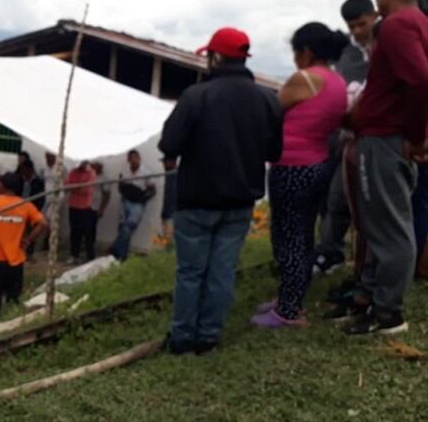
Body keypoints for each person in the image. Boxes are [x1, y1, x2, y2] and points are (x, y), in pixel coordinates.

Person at [159, 27, 283, 354]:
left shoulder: (197, 96)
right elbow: (274, 153)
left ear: (215, 57)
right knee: (221, 272)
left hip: (197, 200)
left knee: (190, 273)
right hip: (241, 203)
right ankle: (209, 337)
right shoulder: (267, 99)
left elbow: (169, 144)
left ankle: (183, 338)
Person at [344, 0, 428, 335]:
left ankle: (388, 313)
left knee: (390, 228)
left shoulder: (395, 25)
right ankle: (377, 301)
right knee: (390, 222)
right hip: (391, 136)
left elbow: (421, 81)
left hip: (385, 139)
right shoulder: (419, 23)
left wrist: (415, 135)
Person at [251, 23, 348, 328]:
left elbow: (271, 111)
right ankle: (289, 299)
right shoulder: (338, 82)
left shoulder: (304, 78)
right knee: (303, 235)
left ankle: (288, 311)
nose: (294, 59)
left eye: (295, 52)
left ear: (306, 52)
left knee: (288, 236)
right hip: (318, 164)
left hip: (292, 166)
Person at [313, 0, 378, 275]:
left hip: (375, 139)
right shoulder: (345, 52)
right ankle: (331, 253)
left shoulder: (388, 42)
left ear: (374, 15)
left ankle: (371, 271)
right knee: (335, 200)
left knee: (369, 208)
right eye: (352, 27)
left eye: (362, 24)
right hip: (344, 138)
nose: (357, 32)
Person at [0, 173, 48, 325]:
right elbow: (43, 224)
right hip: (16, 260)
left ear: (2, 186)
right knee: (13, 300)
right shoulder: (25, 205)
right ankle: (11, 328)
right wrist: (28, 240)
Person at [109, 150, 155, 260]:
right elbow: (120, 186)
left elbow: (153, 190)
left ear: (139, 158)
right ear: (128, 160)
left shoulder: (146, 172)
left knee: (129, 227)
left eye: (136, 157)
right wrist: (124, 192)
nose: (134, 160)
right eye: (132, 158)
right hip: (125, 201)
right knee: (122, 228)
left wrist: (143, 200)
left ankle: (114, 248)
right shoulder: (124, 171)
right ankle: (122, 256)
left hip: (137, 205)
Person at [66, 161, 97, 263]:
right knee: (74, 232)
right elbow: (67, 186)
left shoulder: (91, 172)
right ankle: (74, 255)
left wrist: (75, 187)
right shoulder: (73, 171)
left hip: (85, 207)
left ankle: (90, 257)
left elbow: (87, 190)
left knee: (87, 233)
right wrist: (79, 186)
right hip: (73, 206)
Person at [18, 161, 45, 261]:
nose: (23, 172)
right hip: (19, 209)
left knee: (32, 232)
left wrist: (37, 209)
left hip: (32, 209)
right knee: (19, 231)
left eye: (25, 170)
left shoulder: (38, 181)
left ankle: (29, 254)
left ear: (30, 169)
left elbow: (42, 196)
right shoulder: (20, 180)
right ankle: (18, 251)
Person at [90, 162, 111, 240]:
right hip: (85, 205)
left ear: (100, 167)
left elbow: (107, 195)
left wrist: (101, 209)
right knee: (84, 226)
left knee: (91, 226)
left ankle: (90, 245)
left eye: (94, 165)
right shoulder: (89, 176)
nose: (91, 166)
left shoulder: (104, 179)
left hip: (96, 207)